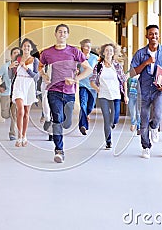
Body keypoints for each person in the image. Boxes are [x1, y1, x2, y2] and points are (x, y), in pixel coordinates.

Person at [39, 24, 92, 163]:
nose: (62, 34)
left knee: (66, 122)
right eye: (60, 32)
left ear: (67, 35)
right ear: (55, 34)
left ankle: (62, 130)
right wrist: (44, 75)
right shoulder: (47, 53)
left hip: (69, 92)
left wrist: (75, 79)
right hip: (53, 91)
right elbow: (40, 66)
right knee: (57, 119)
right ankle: (59, 150)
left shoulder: (74, 52)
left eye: (65, 32)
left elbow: (88, 69)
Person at [130, 25, 162, 159]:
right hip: (144, 90)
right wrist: (146, 62)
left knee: (159, 114)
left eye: (156, 34)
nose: (153, 36)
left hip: (159, 90)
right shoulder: (140, 53)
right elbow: (132, 72)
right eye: (151, 34)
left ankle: (154, 126)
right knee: (143, 120)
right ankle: (145, 147)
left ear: (158, 36)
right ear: (147, 36)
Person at [90, 43, 128, 149]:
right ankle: (108, 141)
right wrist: (98, 89)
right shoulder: (98, 67)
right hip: (103, 97)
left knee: (114, 119)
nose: (109, 52)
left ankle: (112, 124)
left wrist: (125, 95)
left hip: (116, 95)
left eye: (111, 51)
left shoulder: (117, 66)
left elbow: (124, 80)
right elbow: (92, 81)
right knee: (106, 119)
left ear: (113, 53)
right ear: (103, 53)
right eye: (106, 50)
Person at [12, 38, 40, 147]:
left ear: (31, 48)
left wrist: (26, 68)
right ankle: (19, 136)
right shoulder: (17, 59)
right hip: (18, 84)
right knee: (20, 111)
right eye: (24, 46)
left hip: (29, 85)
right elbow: (11, 74)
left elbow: (36, 76)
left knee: (26, 112)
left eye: (28, 46)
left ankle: (24, 136)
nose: (26, 48)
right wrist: (10, 68)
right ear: (21, 47)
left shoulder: (34, 60)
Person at [0, 47, 21, 141]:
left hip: (16, 94)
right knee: (5, 115)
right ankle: (9, 113)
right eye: (15, 53)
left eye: (18, 53)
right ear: (11, 55)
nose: (16, 54)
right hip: (6, 93)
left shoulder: (22, 67)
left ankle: (12, 133)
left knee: (14, 113)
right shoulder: (5, 66)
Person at [77, 38, 98, 135]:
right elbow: (75, 69)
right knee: (83, 105)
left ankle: (86, 115)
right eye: (86, 46)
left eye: (90, 46)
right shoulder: (78, 58)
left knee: (90, 106)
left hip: (92, 85)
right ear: (82, 47)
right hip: (83, 84)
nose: (89, 48)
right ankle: (83, 126)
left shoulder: (95, 58)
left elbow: (98, 71)